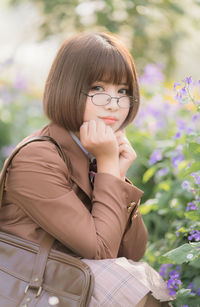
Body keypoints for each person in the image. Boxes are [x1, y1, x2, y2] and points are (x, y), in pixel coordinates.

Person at [0, 32, 174, 306]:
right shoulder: (37, 158)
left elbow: (132, 251)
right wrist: (107, 165)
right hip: (30, 289)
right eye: (97, 89)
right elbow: (101, 252)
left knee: (136, 280)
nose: (113, 103)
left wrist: (117, 173)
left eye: (123, 91)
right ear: (67, 87)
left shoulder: (91, 151)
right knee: (129, 284)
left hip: (68, 281)